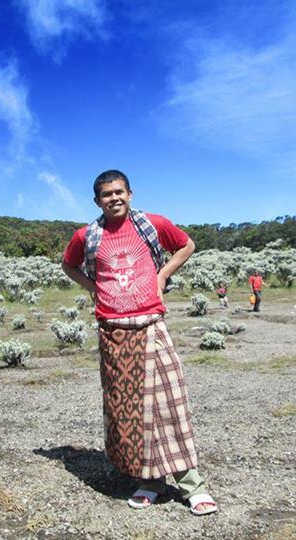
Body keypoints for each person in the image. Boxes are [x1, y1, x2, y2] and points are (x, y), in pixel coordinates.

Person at [61, 169, 218, 516]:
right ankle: (150, 481)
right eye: (106, 194)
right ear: (97, 201)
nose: (114, 198)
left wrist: (163, 274)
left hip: (150, 326)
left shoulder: (153, 224)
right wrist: (92, 288)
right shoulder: (86, 235)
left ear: (130, 194)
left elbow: (186, 244)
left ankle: (192, 485)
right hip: (113, 332)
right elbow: (68, 265)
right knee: (128, 414)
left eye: (119, 192)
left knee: (168, 405)